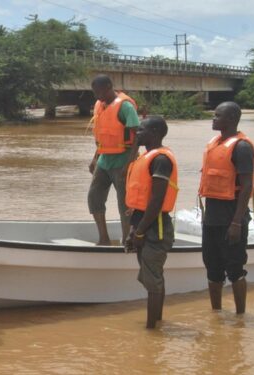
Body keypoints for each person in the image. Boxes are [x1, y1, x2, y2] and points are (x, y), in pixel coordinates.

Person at [198, 101, 254, 315]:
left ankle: (240, 317)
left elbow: (247, 185)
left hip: (231, 217)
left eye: (218, 115)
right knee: (212, 268)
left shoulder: (242, 147)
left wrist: (236, 222)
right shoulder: (214, 143)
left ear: (231, 119)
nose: (213, 118)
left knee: (235, 268)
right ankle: (217, 314)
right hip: (212, 217)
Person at [124, 116, 179, 329]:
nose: (136, 133)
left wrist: (140, 232)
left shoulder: (161, 160)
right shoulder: (144, 157)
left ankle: (152, 330)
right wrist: (133, 230)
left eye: (141, 130)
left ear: (155, 132)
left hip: (155, 226)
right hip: (142, 223)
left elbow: (156, 201)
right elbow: (124, 175)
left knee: (153, 280)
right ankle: (157, 322)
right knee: (152, 278)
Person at [88, 75, 140, 245]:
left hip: (123, 159)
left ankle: (127, 239)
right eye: (95, 93)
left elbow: (137, 136)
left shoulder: (125, 106)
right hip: (104, 160)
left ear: (109, 87)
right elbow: (103, 137)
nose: (98, 96)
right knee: (94, 197)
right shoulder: (99, 106)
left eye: (100, 91)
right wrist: (95, 158)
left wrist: (129, 164)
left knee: (124, 204)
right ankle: (103, 238)